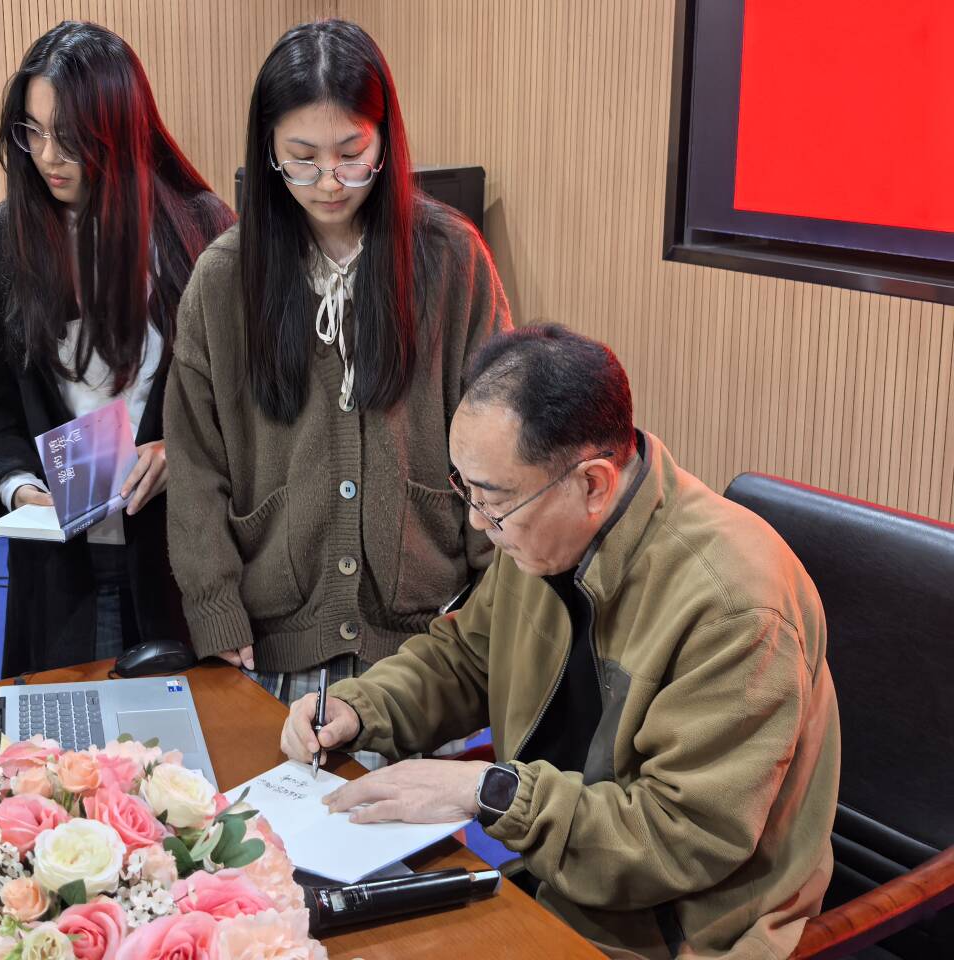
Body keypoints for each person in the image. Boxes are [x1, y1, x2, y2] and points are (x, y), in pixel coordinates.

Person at [280, 325, 841, 959]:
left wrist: (492, 792)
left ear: (593, 484)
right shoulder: (543, 531)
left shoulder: (735, 607)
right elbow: (466, 658)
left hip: (678, 927)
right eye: (466, 489)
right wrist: (361, 707)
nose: (477, 523)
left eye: (493, 500)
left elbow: (679, 840)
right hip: (550, 870)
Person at [164, 19, 511, 706]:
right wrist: (214, 604)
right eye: (302, 157)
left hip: (427, 641)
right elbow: (196, 461)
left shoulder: (452, 259)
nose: (329, 181)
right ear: (268, 149)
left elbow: (501, 443)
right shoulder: (224, 277)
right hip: (271, 641)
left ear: (386, 141)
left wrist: (491, 608)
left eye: (352, 154)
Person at [0, 21, 234, 676]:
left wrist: (183, 450)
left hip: (181, 559)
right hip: (62, 570)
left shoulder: (204, 234)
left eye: (72, 137)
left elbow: (244, 402)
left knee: (190, 734)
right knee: (71, 734)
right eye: (32, 131)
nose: (49, 156)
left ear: (122, 131)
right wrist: (22, 491)